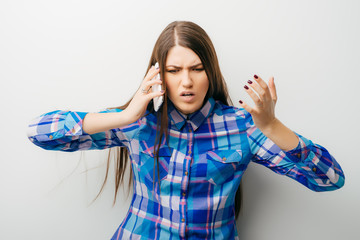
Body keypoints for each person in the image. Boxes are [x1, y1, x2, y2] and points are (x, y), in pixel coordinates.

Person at [27, 21, 345, 240]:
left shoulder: (243, 126)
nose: (187, 82)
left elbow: (330, 179)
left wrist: (272, 125)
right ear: (158, 74)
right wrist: (124, 115)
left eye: (196, 68)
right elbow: (39, 132)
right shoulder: (136, 122)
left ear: (211, 71)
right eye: (174, 70)